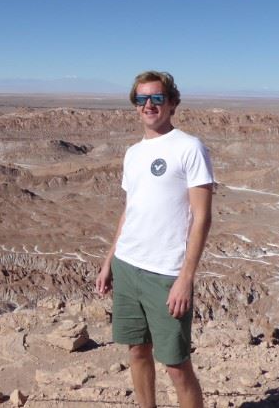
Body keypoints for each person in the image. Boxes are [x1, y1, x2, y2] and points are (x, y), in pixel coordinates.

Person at [96, 70, 215, 408]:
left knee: (177, 366)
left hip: (166, 274)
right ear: (135, 105)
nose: (149, 104)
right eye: (142, 99)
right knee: (136, 351)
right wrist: (109, 262)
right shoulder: (133, 153)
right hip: (128, 266)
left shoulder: (190, 148)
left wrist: (185, 279)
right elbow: (129, 212)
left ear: (172, 103)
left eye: (157, 98)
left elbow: (202, 218)